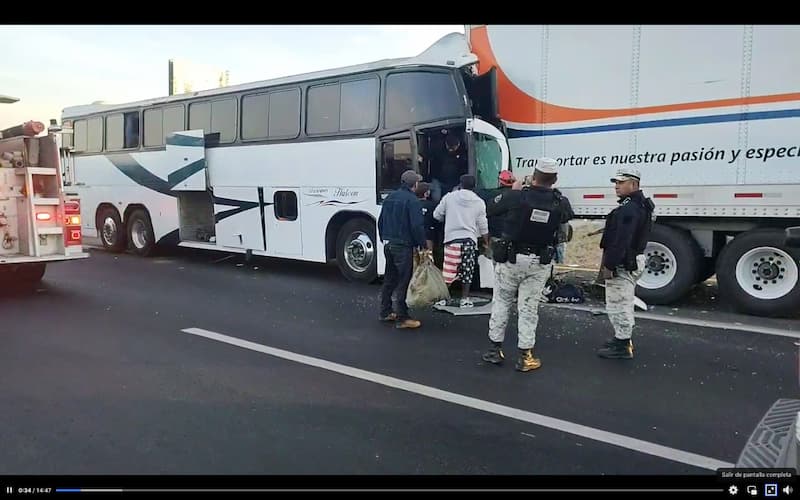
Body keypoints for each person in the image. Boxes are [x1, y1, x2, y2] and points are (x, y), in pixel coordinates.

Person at [480, 158, 573, 372]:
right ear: (555, 179)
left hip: (511, 260)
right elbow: (566, 219)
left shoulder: (516, 197)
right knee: (529, 308)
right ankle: (525, 355)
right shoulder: (560, 201)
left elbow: (489, 208)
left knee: (501, 302)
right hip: (538, 262)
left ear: (533, 175)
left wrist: (515, 189)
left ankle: (495, 349)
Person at [596, 167, 655, 359]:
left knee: (618, 303)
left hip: (624, 261)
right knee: (623, 300)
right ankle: (621, 338)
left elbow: (621, 240)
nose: (616, 186)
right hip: (632, 258)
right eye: (616, 183)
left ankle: (622, 344)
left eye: (621, 183)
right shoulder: (641, 205)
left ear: (634, 184)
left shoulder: (629, 209)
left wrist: (609, 266)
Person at [377, 169, 427, 329]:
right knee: (403, 281)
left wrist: (383, 237)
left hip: (388, 243)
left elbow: (381, 221)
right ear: (415, 184)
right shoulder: (412, 201)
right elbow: (416, 226)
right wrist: (422, 244)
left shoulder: (390, 197)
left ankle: (385, 312)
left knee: (389, 279)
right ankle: (402, 318)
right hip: (403, 245)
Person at [433, 174, 490, 308]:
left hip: (452, 239)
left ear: (460, 184)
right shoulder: (479, 201)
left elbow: (436, 215)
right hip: (469, 240)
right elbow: (483, 225)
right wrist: (486, 242)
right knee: (467, 270)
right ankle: (465, 298)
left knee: (449, 271)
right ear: (474, 186)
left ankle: (445, 298)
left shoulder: (449, 197)